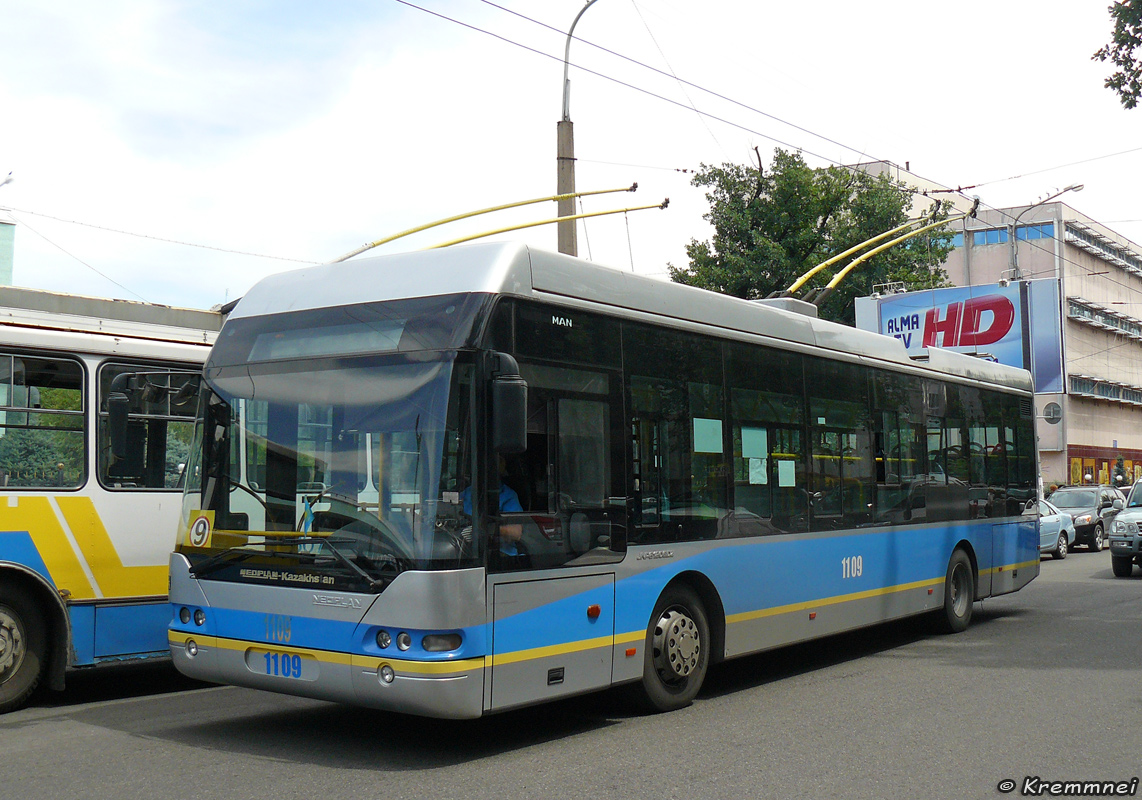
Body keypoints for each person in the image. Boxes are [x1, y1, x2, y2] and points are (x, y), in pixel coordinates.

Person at [460, 457, 524, 555]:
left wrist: (484, 530)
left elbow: (516, 532)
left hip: (501, 556)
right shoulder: (467, 492)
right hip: (466, 551)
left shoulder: (507, 495)